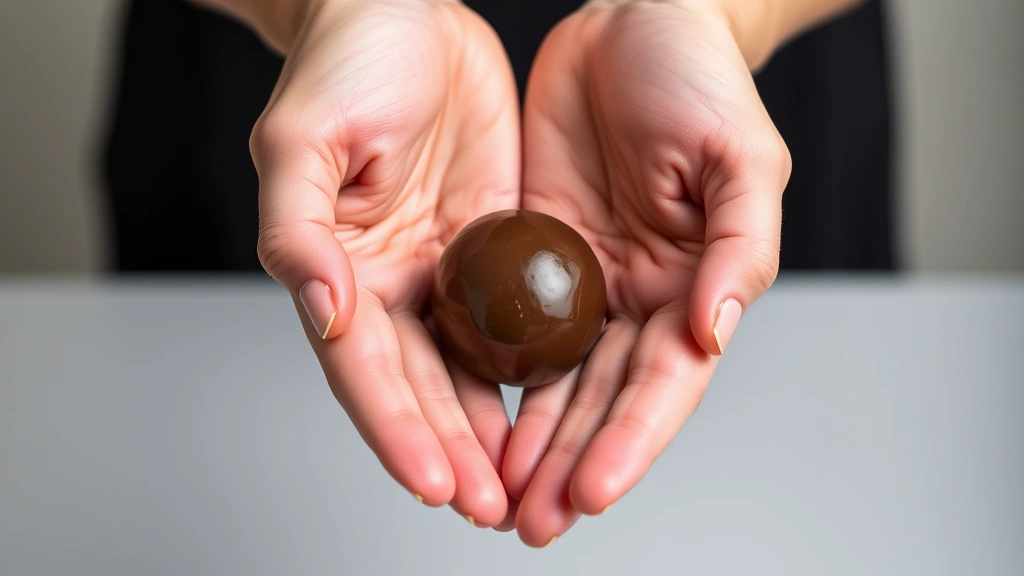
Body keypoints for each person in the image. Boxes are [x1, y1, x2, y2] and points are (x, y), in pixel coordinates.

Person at [102, 0, 893, 546]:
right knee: (212, 493)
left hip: (707, 120)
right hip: (311, 106)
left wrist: (711, 13)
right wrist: (329, 9)